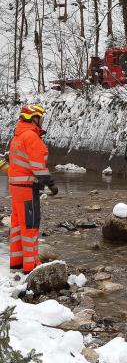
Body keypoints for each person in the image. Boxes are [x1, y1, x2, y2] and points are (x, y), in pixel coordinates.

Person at [8, 104, 57, 273]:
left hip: (15, 187)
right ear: (33, 118)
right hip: (27, 187)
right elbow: (37, 165)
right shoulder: (31, 137)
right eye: (40, 117)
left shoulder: (17, 136)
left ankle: (16, 261)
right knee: (30, 225)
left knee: (16, 224)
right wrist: (49, 183)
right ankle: (30, 265)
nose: (42, 121)